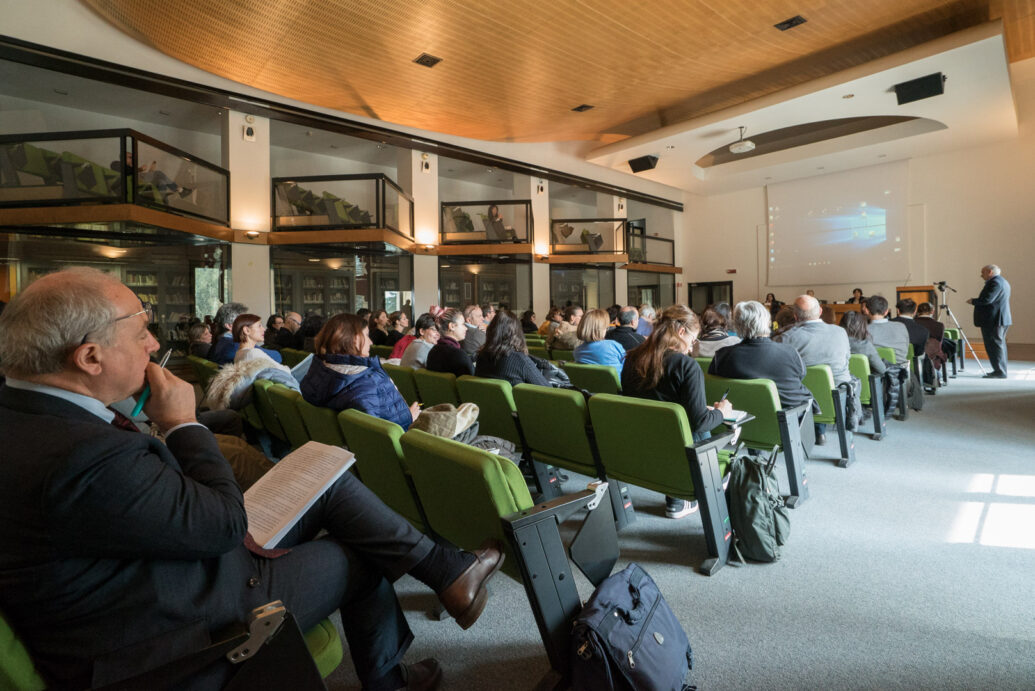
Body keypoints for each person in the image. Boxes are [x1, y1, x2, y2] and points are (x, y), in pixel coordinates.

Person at [0, 268, 502, 690]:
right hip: (178, 630)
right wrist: (184, 424)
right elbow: (218, 524)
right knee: (358, 553)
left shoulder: (30, 418)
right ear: (89, 358)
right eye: (140, 334)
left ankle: (446, 573)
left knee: (328, 483)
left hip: (166, 566)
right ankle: (400, 659)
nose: (154, 343)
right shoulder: (75, 455)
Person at [622, 305, 732, 519]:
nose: (691, 348)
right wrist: (722, 412)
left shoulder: (632, 358)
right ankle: (688, 495)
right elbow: (700, 422)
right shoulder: (686, 366)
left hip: (641, 448)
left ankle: (676, 498)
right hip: (683, 455)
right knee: (726, 441)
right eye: (693, 341)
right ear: (681, 332)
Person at [301, 313, 421, 429]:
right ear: (355, 340)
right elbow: (376, 433)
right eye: (367, 335)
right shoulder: (367, 382)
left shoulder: (317, 374)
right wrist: (408, 417)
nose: (371, 342)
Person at [774, 295, 853, 444]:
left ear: (795, 316)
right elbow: (846, 361)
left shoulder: (786, 338)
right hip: (839, 397)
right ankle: (821, 432)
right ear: (820, 311)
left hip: (801, 399)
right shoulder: (840, 332)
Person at [709, 300, 812, 410]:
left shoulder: (721, 356)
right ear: (768, 323)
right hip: (786, 420)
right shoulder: (789, 353)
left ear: (737, 325)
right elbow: (801, 376)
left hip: (739, 419)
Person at [475, 310, 551, 387]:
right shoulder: (519, 359)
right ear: (516, 332)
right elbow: (547, 389)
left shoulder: (481, 356)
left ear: (491, 330)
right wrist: (547, 370)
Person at [967, 264, 1012, 378]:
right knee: (998, 345)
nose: (981, 275)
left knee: (994, 346)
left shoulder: (995, 283)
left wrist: (973, 301)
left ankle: (1000, 371)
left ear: (990, 272)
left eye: (983, 273)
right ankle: (1000, 369)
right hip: (999, 319)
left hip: (994, 320)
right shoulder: (1002, 281)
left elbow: (987, 300)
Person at [426, 308, 474, 378]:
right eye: (463, 324)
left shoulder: (433, 351)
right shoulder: (458, 355)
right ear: (452, 326)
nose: (466, 328)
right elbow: (472, 380)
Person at [863, 295, 909, 364]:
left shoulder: (863, 330)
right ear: (886, 312)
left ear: (866, 310)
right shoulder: (901, 326)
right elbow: (906, 347)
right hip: (901, 370)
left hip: (874, 370)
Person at [840, 310, 886, 376]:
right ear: (862, 326)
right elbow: (882, 370)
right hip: (866, 385)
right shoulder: (865, 346)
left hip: (842, 383)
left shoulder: (836, 344)